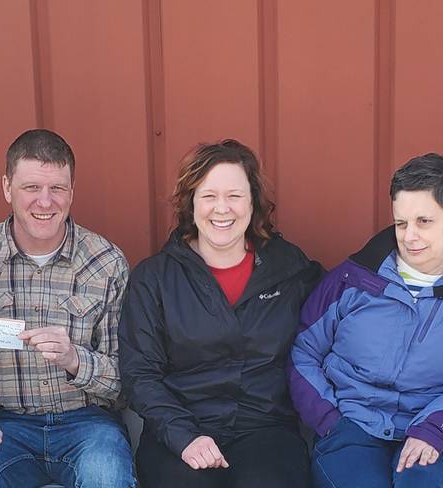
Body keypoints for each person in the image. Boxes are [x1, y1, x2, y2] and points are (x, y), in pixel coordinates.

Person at [288, 153, 443, 487]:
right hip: (351, 427)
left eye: (424, 221)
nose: (409, 236)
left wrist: (439, 427)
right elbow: (304, 351)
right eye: (402, 223)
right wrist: (329, 419)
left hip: (434, 433)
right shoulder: (354, 279)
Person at [0, 128, 135, 488]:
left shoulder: (106, 262)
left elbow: (127, 379)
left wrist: (74, 359)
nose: (45, 202)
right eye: (31, 188)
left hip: (88, 425)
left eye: (57, 188)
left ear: (71, 191)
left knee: (108, 479)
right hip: (4, 424)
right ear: (7, 187)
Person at [118, 139, 323, 488]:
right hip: (180, 430)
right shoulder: (155, 278)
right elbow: (140, 374)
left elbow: (339, 312)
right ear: (191, 204)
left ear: (253, 201)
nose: (222, 209)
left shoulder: (289, 268)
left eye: (234, 195)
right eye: (209, 196)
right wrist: (184, 437)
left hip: (265, 427)